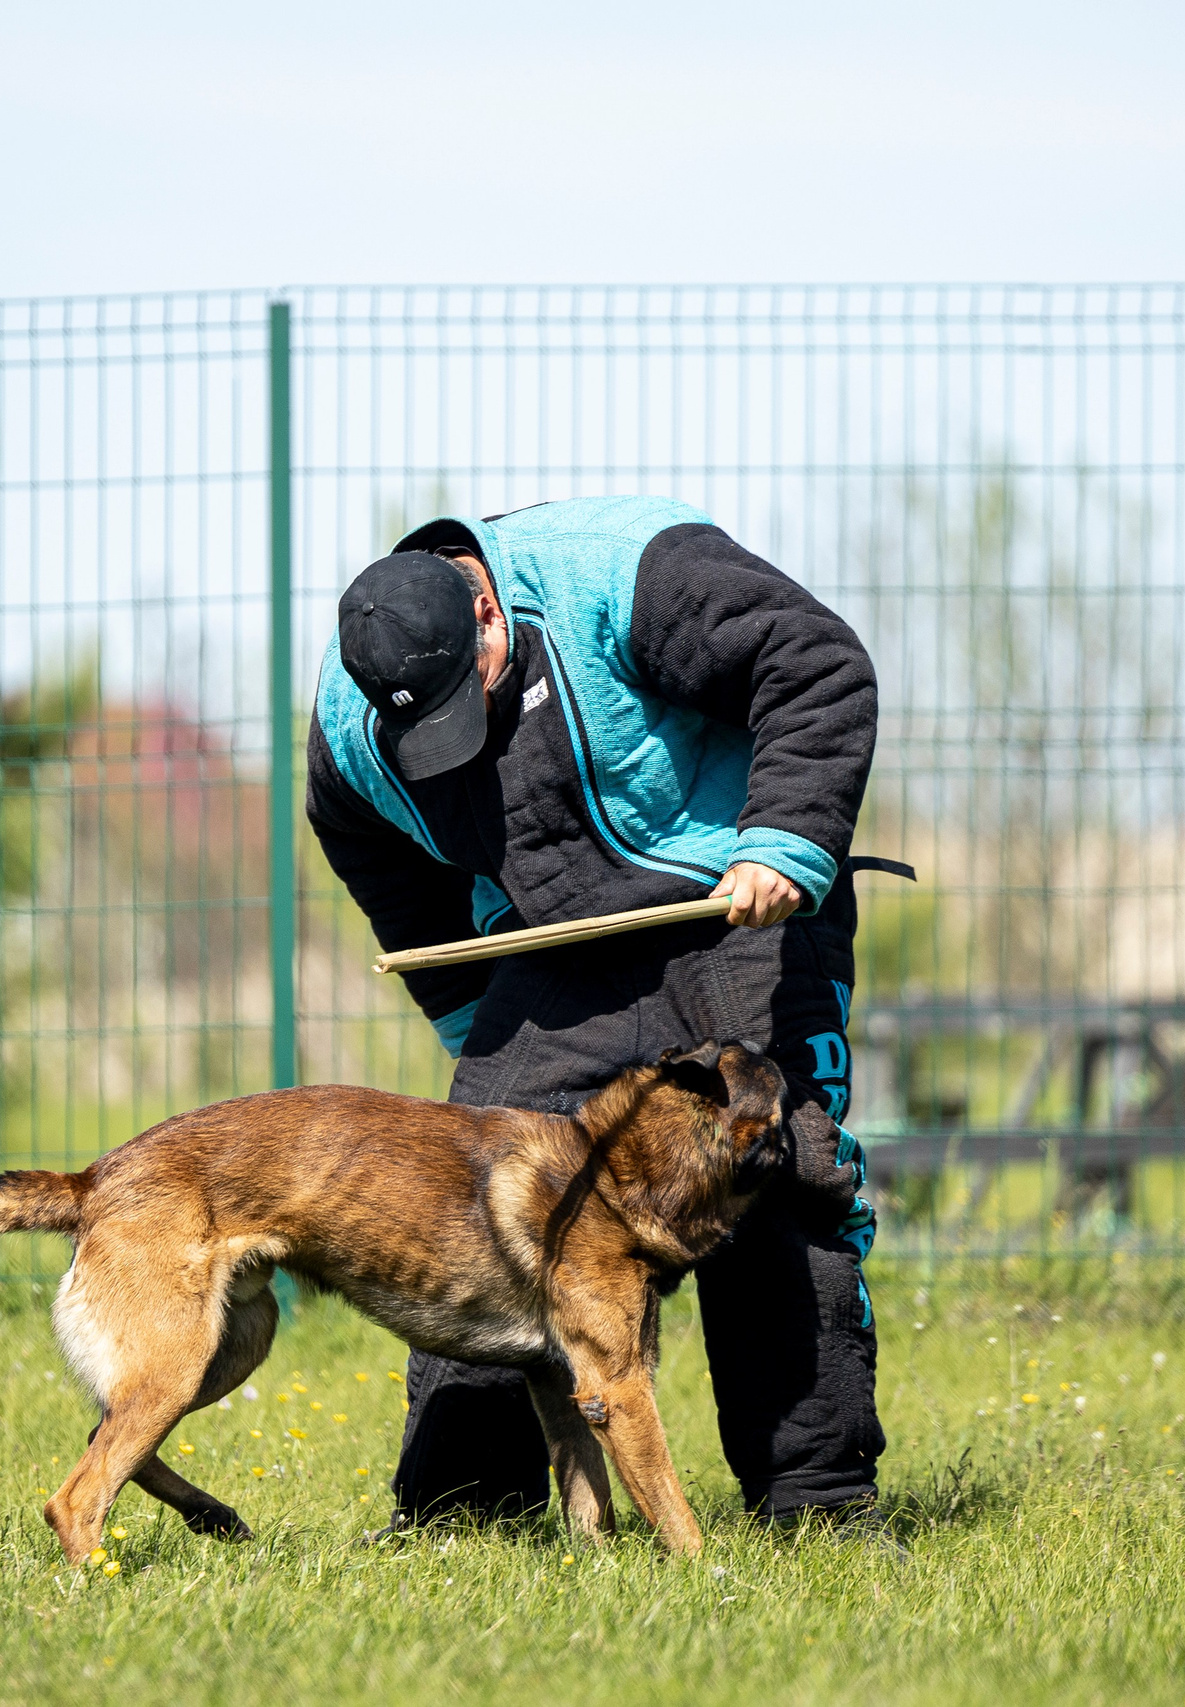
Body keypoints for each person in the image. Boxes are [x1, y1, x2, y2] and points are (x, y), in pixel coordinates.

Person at [305, 495, 894, 1533]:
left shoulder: (624, 573)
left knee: (779, 1173)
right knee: (473, 1199)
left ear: (487, 613)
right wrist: (475, 1022)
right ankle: (464, 1517)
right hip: (557, 948)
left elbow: (813, 661)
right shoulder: (352, 728)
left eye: (467, 698)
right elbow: (386, 871)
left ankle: (818, 1502)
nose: (455, 736)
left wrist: (784, 841)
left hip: (735, 902)